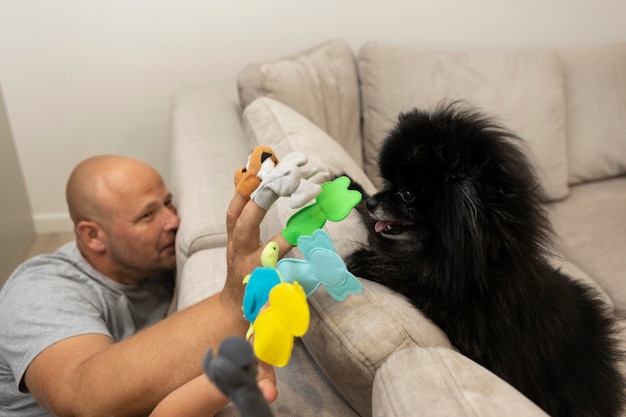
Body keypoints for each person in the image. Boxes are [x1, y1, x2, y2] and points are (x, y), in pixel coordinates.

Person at [0, 155, 291, 416]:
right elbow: (85, 397)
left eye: (167, 203)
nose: (173, 220)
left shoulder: (148, 261)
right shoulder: (38, 291)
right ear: (93, 236)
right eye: (147, 215)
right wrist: (235, 300)